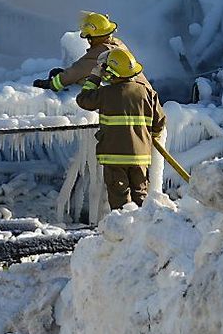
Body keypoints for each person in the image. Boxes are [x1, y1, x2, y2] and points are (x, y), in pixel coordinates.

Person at [75, 49, 166, 211]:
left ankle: (122, 232)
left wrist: (95, 78)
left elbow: (83, 100)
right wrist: (145, 139)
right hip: (141, 157)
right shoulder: (147, 92)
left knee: (120, 200)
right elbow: (159, 123)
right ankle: (142, 231)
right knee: (141, 197)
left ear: (111, 72)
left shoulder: (105, 93)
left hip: (114, 157)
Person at [33, 12, 129, 92]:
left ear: (93, 37)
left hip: (122, 100)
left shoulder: (100, 53)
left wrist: (51, 84)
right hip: (135, 93)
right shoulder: (118, 44)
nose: (88, 41)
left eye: (88, 37)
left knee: (84, 81)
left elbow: (76, 72)